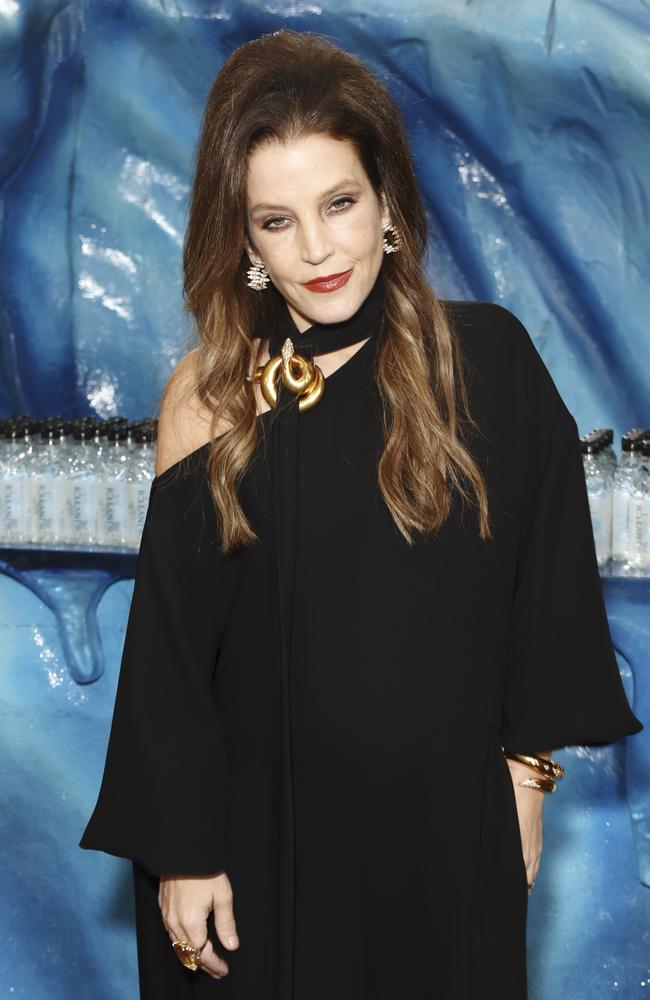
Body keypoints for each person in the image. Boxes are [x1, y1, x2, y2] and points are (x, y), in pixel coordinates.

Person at [79, 28, 643, 1000]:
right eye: (275, 221)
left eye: (337, 204)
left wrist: (522, 781)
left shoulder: (485, 362)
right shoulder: (208, 396)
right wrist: (181, 852)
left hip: (441, 838)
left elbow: (540, 587)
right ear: (242, 239)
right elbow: (169, 649)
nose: (314, 249)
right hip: (254, 851)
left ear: (386, 202)